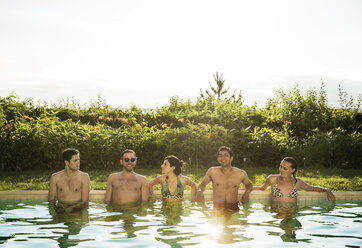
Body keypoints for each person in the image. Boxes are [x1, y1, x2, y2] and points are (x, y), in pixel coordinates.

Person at [254, 157, 336, 203]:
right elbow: (262, 188)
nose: (281, 170)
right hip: (277, 214)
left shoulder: (297, 182)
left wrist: (326, 190)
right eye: (280, 167)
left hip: (291, 214)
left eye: (285, 168)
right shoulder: (272, 179)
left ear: (292, 170)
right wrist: (246, 189)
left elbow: (312, 188)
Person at [196, 146, 253, 211]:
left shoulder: (240, 174)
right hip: (217, 207)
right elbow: (203, 184)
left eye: (226, 155)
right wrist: (200, 191)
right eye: (220, 156)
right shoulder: (212, 172)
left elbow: (249, 185)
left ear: (231, 158)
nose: (223, 158)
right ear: (218, 158)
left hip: (233, 208)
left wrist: (247, 192)